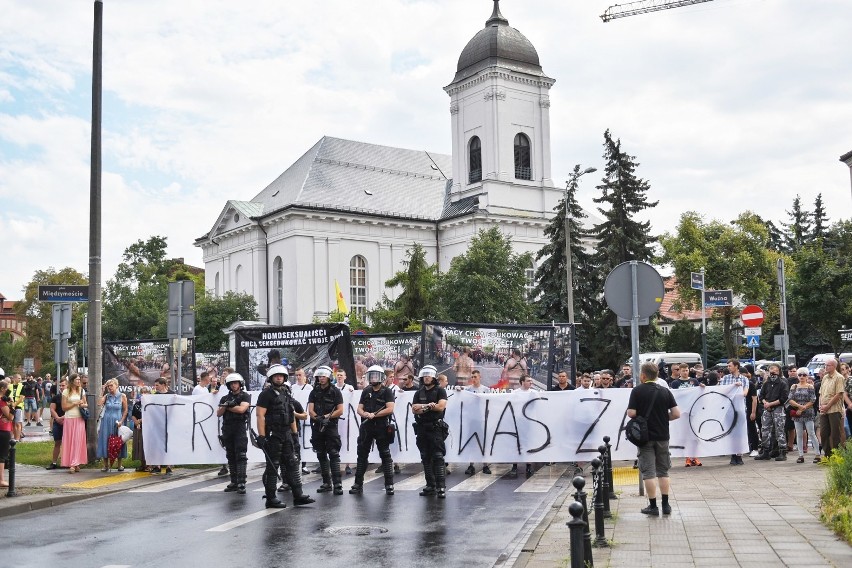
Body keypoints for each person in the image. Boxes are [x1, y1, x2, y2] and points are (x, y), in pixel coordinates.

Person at [255, 364, 315, 508]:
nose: (279, 377)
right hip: (273, 434)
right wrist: (262, 436)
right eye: (276, 376)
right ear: (271, 378)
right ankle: (271, 498)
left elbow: (291, 415)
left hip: (287, 433)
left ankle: (298, 495)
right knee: (273, 466)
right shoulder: (266, 394)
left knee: (293, 464)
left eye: (281, 376)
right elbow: (260, 415)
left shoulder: (287, 393)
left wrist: (294, 434)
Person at [627, 362, 681, 516]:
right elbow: (677, 414)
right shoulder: (665, 391)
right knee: (663, 471)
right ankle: (666, 505)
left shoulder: (637, 391)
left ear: (643, 376)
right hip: (663, 436)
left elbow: (631, 413)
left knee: (649, 472)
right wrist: (664, 418)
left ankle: (653, 506)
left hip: (645, 437)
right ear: (657, 375)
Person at [350, 365, 396, 496]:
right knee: (362, 456)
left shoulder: (387, 391)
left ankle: (389, 485)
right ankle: (358, 484)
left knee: (385, 456)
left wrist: (374, 415)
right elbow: (359, 408)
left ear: (381, 377)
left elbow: (390, 408)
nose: (374, 378)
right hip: (366, 427)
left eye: (376, 375)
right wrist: (365, 414)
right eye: (372, 375)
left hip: (381, 426)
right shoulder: (366, 390)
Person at [412, 365, 448, 498]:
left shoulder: (440, 391)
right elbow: (414, 409)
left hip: (436, 428)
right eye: (424, 375)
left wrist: (424, 408)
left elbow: (440, 407)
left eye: (429, 375)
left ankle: (441, 487)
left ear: (434, 377)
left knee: (438, 457)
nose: (426, 377)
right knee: (425, 457)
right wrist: (427, 406)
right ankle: (430, 485)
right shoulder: (419, 392)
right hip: (422, 427)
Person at [307, 365, 344, 495]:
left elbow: (340, 410)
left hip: (331, 426)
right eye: (319, 376)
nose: (321, 378)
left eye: (323, 376)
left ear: (328, 377)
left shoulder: (335, 391)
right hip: (317, 426)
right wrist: (318, 418)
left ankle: (337, 483)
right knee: (321, 454)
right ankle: (326, 483)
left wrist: (327, 417)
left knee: (333, 454)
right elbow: (310, 410)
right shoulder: (314, 392)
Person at [217, 373, 251, 495]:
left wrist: (229, 407)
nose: (233, 385)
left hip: (239, 427)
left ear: (240, 384)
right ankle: (234, 481)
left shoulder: (245, 396)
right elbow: (219, 413)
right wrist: (226, 406)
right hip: (227, 428)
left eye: (235, 383)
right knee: (230, 455)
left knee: (241, 455)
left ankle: (241, 482)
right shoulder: (224, 398)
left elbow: (242, 409)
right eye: (231, 383)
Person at [755, 364, 789, 461]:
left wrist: (771, 404)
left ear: (779, 371)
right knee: (764, 430)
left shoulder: (782, 383)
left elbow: (784, 398)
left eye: (775, 370)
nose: (772, 372)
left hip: (778, 408)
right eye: (771, 370)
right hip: (767, 409)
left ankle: (782, 451)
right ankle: (765, 451)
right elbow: (761, 396)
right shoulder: (766, 383)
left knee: (779, 430)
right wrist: (766, 403)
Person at [720, 359, 749, 465]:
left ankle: (739, 455)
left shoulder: (744, 379)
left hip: (740, 409)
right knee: (731, 432)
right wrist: (732, 387)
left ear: (736, 366)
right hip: (728, 409)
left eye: (730, 366)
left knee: (740, 433)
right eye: (727, 366)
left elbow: (745, 392)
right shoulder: (725, 378)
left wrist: (739, 388)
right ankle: (732, 454)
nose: (728, 367)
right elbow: (722, 391)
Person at [817, 358, 846, 461]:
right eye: (825, 365)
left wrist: (827, 406)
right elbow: (821, 393)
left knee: (835, 434)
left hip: (834, 409)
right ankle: (827, 455)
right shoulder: (825, 377)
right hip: (824, 410)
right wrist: (821, 406)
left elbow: (838, 394)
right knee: (823, 433)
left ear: (833, 366)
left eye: (828, 365)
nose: (826, 367)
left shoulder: (839, 377)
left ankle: (836, 455)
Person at [97, 378, 128, 472]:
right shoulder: (107, 396)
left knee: (118, 441)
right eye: (108, 386)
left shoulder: (122, 396)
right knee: (105, 441)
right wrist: (102, 391)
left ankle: (119, 465)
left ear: (116, 386)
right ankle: (106, 465)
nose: (110, 388)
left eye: (111, 385)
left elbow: (125, 410)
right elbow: (99, 403)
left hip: (117, 421)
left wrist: (122, 421)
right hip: (106, 421)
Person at [464, 369, 492, 475]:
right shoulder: (468, 390)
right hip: (471, 421)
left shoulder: (486, 390)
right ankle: (471, 465)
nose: (473, 379)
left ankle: (485, 466)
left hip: (482, 421)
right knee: (471, 443)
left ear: (480, 377)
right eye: (472, 377)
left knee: (483, 443)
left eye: (475, 377)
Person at [788, 367, 818, 464]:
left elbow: (813, 399)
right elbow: (790, 399)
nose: (802, 377)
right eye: (800, 375)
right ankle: (800, 455)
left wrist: (803, 407)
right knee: (799, 434)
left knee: (812, 433)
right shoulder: (794, 386)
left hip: (808, 412)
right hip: (797, 412)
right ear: (797, 376)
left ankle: (817, 454)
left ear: (807, 376)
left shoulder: (810, 386)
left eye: (804, 375)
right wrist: (799, 407)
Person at [61, 374, 88, 473]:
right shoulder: (66, 391)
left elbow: (86, 404)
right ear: (72, 381)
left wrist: (82, 404)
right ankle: (72, 463)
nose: (78, 381)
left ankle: (75, 463)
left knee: (78, 441)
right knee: (70, 441)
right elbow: (64, 407)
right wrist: (74, 403)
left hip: (79, 418)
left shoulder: (81, 390)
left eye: (79, 379)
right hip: (69, 418)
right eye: (77, 379)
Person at [45, 378, 67, 470]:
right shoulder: (56, 397)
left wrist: (64, 417)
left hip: (68, 421)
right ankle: (54, 462)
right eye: (60, 385)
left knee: (67, 443)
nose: (61, 387)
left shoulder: (71, 397)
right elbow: (52, 409)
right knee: (57, 442)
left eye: (63, 385)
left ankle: (66, 462)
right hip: (58, 422)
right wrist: (57, 418)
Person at [131, 386, 151, 472]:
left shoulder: (151, 404)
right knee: (139, 446)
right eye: (142, 392)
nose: (143, 394)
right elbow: (133, 415)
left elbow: (151, 415)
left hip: (148, 428)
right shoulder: (137, 404)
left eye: (145, 392)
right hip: (138, 428)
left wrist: (141, 421)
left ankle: (149, 465)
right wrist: (136, 422)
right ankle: (142, 464)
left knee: (147, 446)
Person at [0, 378, 14, 487]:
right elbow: (10, 417)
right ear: (2, 389)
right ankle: (1, 479)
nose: (8, 391)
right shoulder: (2, 401)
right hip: (3, 429)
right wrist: (12, 405)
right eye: (7, 389)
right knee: (2, 455)